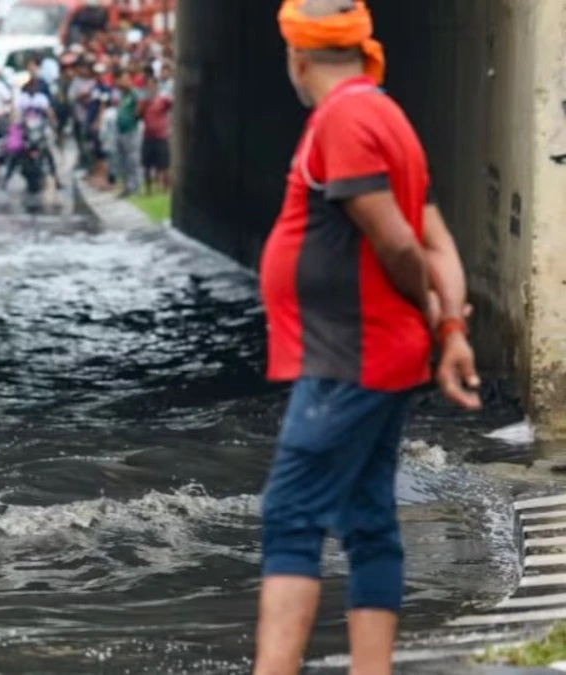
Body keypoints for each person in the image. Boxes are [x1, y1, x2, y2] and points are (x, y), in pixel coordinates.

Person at [254, 2, 481, 674]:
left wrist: (433, 313)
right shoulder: (388, 115)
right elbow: (439, 241)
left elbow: (400, 243)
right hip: (377, 354)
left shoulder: (344, 119)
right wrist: (451, 328)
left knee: (291, 514)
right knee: (368, 518)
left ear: (297, 58)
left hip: (348, 354)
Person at [137, 69, 172, 194]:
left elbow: (173, 107)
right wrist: (143, 106)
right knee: (146, 164)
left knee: (164, 164)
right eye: (148, 85)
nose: (150, 87)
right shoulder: (143, 102)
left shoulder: (163, 100)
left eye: (152, 85)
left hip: (161, 135)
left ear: (156, 86)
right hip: (148, 136)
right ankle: (148, 189)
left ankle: (165, 188)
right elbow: (137, 115)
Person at [112, 69, 140, 197]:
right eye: (121, 80)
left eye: (125, 79)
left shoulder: (134, 94)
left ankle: (135, 187)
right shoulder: (122, 95)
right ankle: (126, 186)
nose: (123, 82)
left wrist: (133, 118)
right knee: (122, 161)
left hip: (131, 130)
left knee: (132, 160)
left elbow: (139, 108)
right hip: (120, 131)